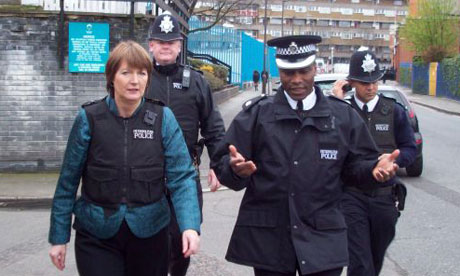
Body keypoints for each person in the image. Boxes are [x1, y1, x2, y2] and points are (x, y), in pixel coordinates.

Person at [211, 35, 400, 276]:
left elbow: (357, 167)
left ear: (315, 68)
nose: (297, 80)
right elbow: (222, 162)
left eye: (304, 71)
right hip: (271, 239)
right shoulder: (257, 115)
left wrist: (374, 170)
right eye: (289, 73)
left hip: (323, 236)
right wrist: (234, 170)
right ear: (279, 71)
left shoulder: (343, 116)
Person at [48, 40, 201, 276]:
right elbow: (67, 182)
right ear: (111, 77)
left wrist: (189, 225)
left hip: (150, 232)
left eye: (142, 73)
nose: (135, 81)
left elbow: (181, 177)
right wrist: (59, 237)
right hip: (97, 233)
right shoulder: (89, 118)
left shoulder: (163, 118)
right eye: (126, 72)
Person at [145, 12, 226, 276]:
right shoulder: (139, 80)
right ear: (151, 45)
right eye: (160, 41)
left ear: (180, 45)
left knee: (183, 240)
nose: (166, 46)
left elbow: (213, 127)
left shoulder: (196, 82)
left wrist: (218, 163)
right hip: (147, 174)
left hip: (185, 176)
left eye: (171, 41)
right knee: (149, 241)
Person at [332, 50, 416, 276]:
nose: (370, 87)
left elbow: (410, 147)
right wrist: (336, 103)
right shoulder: (342, 110)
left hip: (384, 197)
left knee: (375, 259)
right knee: (359, 263)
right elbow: (327, 143)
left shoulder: (394, 111)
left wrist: (396, 164)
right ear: (351, 83)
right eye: (363, 82)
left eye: (374, 81)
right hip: (352, 195)